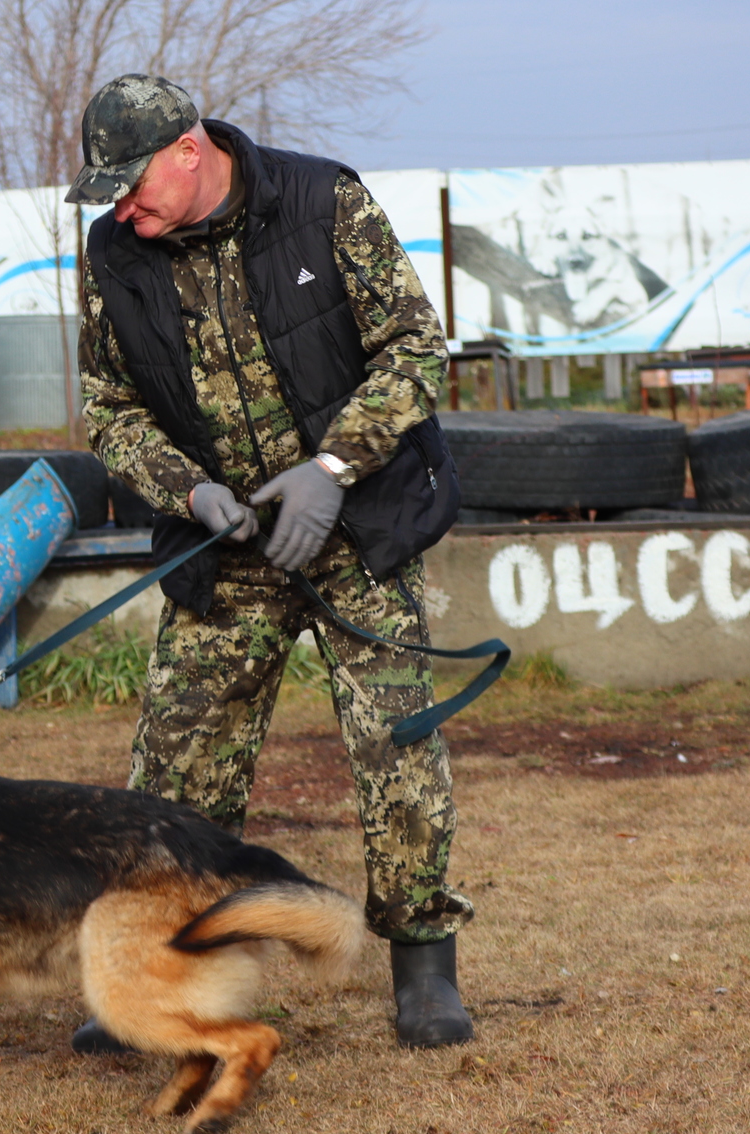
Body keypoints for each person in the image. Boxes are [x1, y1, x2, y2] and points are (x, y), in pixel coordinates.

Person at [65, 74, 474, 1049]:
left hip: (356, 525)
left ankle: (422, 963)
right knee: (176, 767)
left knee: (395, 747)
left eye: (133, 186)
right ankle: (159, 966)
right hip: (228, 542)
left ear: (190, 149)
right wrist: (187, 490)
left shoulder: (318, 199)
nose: (124, 209)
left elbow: (414, 347)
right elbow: (107, 405)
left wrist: (331, 468)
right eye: (110, 195)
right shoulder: (113, 253)